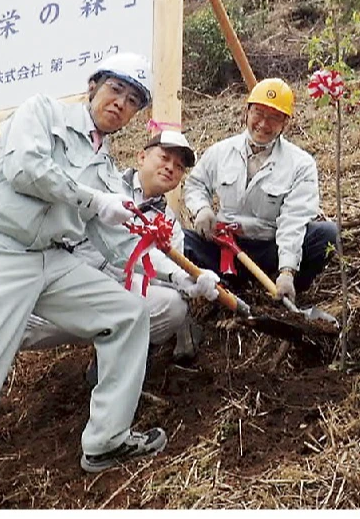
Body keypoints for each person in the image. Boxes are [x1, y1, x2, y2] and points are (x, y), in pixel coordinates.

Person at [0, 52, 173, 509]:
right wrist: (93, 201)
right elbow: (26, 170)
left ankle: (106, 441)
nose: (120, 103)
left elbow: (119, 246)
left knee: (127, 313)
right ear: (94, 86)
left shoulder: (105, 170)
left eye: (132, 100)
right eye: (115, 90)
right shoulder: (41, 111)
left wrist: (184, 280)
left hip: (51, 259)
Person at [22, 130, 218, 371]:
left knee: (172, 305)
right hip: (66, 286)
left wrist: (185, 280)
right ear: (141, 157)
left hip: (114, 301)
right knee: (8, 328)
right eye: (164, 158)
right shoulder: (103, 184)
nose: (170, 168)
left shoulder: (170, 226)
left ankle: (114, 362)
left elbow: (166, 281)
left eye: (179, 167)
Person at [183, 78, 337, 306]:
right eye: (259, 113)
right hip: (224, 248)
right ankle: (222, 286)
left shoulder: (300, 164)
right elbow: (196, 184)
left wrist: (287, 270)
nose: (264, 124)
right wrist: (202, 209)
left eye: (274, 117)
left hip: (269, 249)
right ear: (246, 112)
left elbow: (293, 221)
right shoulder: (220, 152)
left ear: (286, 123)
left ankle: (282, 291)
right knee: (180, 239)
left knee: (327, 234)